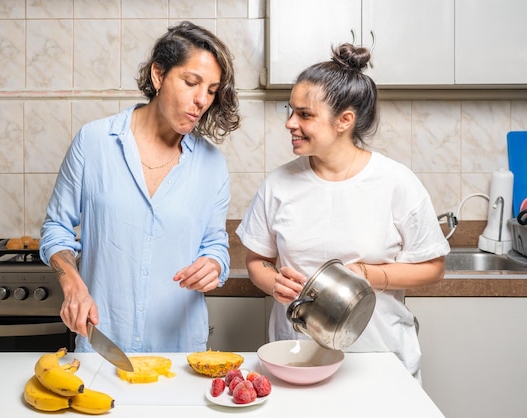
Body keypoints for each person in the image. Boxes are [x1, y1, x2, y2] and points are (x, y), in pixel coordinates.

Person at [236, 43, 450, 382]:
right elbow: (256, 260)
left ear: (344, 121)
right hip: (297, 359)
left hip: (379, 360)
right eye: (290, 110)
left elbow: (433, 267)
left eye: (305, 114)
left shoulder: (396, 183)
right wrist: (273, 281)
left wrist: (368, 273)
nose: (291, 123)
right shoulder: (278, 183)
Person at [39, 21, 240, 354]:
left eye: (212, 89)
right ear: (158, 75)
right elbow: (55, 232)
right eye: (191, 82)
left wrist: (215, 265)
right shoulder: (94, 142)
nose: (202, 99)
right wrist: (72, 284)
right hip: (104, 342)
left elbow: (215, 243)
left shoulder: (212, 164)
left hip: (180, 351)